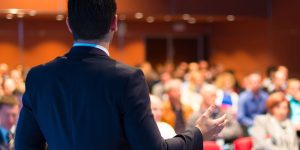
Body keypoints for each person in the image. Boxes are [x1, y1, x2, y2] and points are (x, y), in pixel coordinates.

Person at [15, 0, 227, 149]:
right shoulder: (127, 79)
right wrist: (198, 132)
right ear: (114, 23)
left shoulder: (39, 77)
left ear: (69, 24)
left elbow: (25, 146)